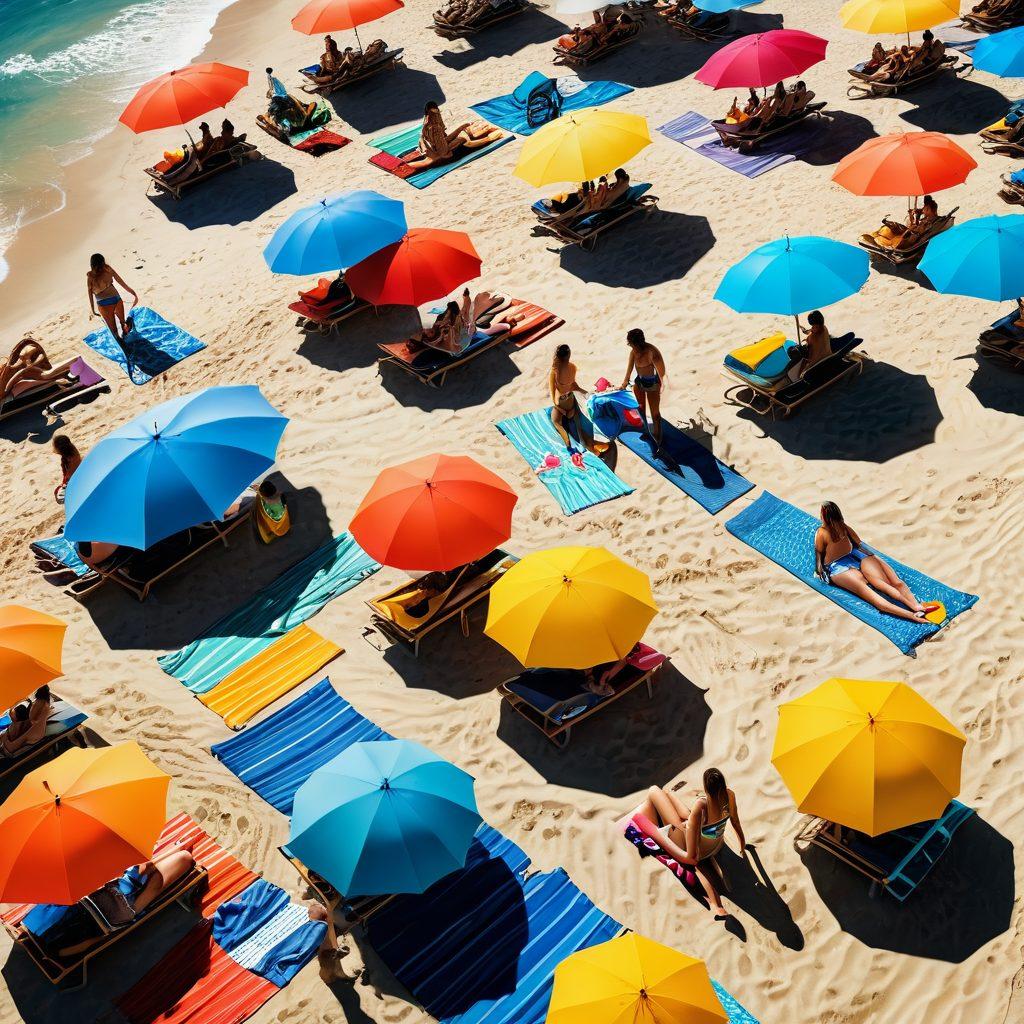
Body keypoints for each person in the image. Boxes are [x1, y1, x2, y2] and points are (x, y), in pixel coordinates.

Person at [632, 769, 746, 919]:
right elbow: (736, 822)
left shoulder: (702, 804)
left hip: (697, 847)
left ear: (706, 787)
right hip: (715, 843)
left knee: (654, 791)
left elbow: (692, 858)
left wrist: (662, 839)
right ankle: (669, 794)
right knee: (679, 808)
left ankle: (715, 905)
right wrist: (742, 846)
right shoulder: (729, 795)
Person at [41, 848, 196, 958]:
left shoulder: (55, 949)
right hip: (107, 906)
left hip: (113, 915)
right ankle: (173, 853)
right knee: (145, 874)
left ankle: (173, 855)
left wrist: (104, 933)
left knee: (152, 880)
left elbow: (90, 942)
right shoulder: (46, 926)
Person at [814, 501, 941, 621]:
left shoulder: (822, 532)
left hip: (839, 567)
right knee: (890, 583)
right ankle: (916, 607)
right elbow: (858, 542)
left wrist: (820, 572)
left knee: (870, 592)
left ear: (824, 516)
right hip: (855, 556)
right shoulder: (843, 527)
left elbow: (819, 553)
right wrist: (871, 557)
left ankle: (912, 614)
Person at [549, 344, 605, 457]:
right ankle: (590, 444)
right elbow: (574, 386)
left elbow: (553, 395)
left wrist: (560, 409)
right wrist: (587, 394)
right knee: (578, 420)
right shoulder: (572, 367)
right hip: (571, 400)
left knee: (555, 422)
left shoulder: (554, 371)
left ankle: (569, 445)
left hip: (561, 403)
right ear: (569, 355)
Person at [620, 328, 666, 447]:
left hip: (653, 384)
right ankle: (646, 430)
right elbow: (629, 369)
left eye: (631, 344)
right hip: (640, 382)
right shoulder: (633, 352)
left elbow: (662, 373)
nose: (630, 346)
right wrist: (624, 382)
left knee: (655, 414)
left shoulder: (652, 352)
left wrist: (662, 385)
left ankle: (658, 435)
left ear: (637, 343)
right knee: (640, 409)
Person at [87, 254, 138, 345]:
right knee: (123, 323)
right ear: (103, 261)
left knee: (114, 330)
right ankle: (126, 332)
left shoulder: (90, 276)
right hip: (116, 298)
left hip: (104, 304)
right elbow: (119, 280)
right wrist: (131, 291)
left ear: (92, 264)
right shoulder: (108, 269)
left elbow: (90, 294)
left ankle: (123, 346)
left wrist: (93, 310)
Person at [787, 310, 832, 381]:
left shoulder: (812, 337)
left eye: (813, 325)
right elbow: (811, 331)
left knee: (800, 375)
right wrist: (802, 329)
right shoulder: (824, 328)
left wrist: (801, 370)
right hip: (828, 356)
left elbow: (808, 356)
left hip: (816, 363)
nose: (812, 327)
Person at [53, 434, 81, 503]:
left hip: (75, 481)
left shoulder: (68, 459)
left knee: (58, 494)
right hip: (77, 475)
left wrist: (64, 485)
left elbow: (69, 476)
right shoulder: (72, 451)